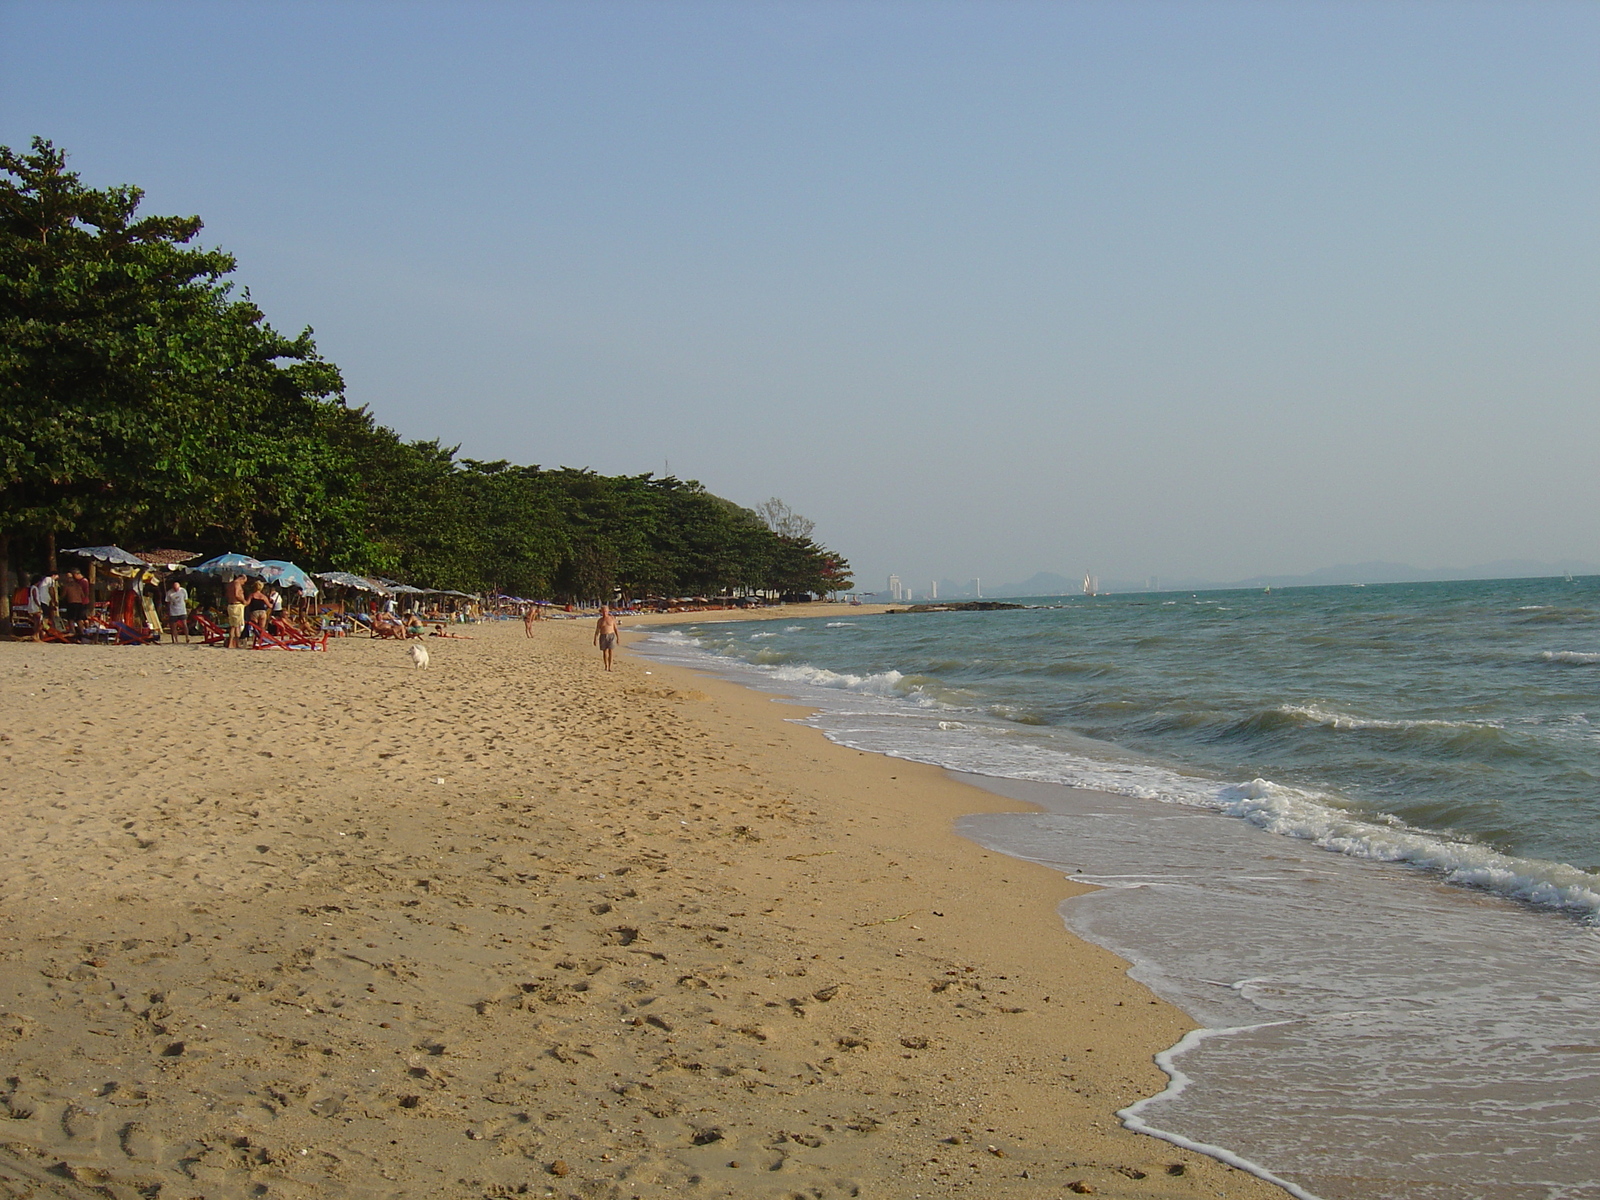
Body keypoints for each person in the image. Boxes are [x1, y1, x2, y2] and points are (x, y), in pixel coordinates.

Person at [59, 569, 90, 634]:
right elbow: (83, 595)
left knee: (71, 618)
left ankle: (72, 631)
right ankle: (82, 632)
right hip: (79, 603)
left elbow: (63, 595)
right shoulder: (78, 585)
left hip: (71, 603)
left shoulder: (67, 586)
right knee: (79, 619)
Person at [224, 575, 248, 648]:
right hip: (237, 605)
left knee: (234, 625)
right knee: (236, 626)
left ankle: (235, 643)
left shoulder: (230, 584)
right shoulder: (237, 584)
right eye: (244, 582)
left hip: (231, 605)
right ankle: (232, 643)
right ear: (242, 579)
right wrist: (244, 601)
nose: (243, 584)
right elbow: (237, 594)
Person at [593, 605, 620, 671]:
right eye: (603, 611)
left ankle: (610, 667)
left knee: (611, 651)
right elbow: (597, 630)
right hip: (603, 636)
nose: (604, 613)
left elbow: (615, 628)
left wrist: (618, 638)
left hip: (611, 635)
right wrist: (595, 639)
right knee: (605, 652)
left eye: (606, 611)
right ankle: (606, 666)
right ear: (601, 612)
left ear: (608, 611)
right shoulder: (600, 620)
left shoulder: (612, 618)